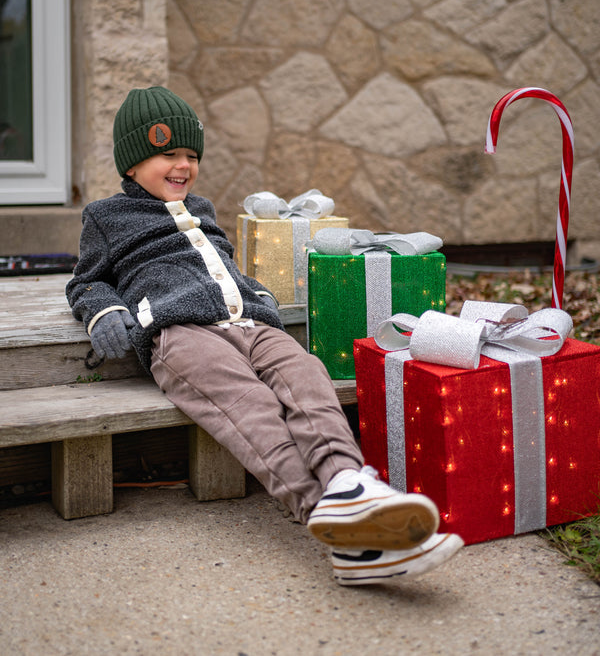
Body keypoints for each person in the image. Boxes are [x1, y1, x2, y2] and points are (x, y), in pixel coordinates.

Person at [66, 86, 463, 586]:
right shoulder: (106, 217)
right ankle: (330, 516)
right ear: (132, 163)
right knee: (250, 401)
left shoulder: (201, 207)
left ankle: (345, 481)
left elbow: (221, 265)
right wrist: (104, 313)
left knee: (305, 372)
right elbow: (86, 280)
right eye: (169, 154)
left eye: (191, 155)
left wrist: (260, 296)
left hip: (249, 321)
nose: (183, 165)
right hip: (180, 332)